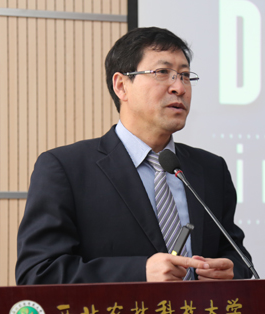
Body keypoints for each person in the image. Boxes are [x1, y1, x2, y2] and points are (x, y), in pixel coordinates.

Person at [16, 27, 252, 284]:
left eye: (185, 75)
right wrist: (140, 273)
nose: (179, 87)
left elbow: (236, 256)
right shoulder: (66, 169)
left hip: (198, 312)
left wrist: (232, 271)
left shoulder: (211, 169)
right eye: (162, 73)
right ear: (121, 86)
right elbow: (38, 273)